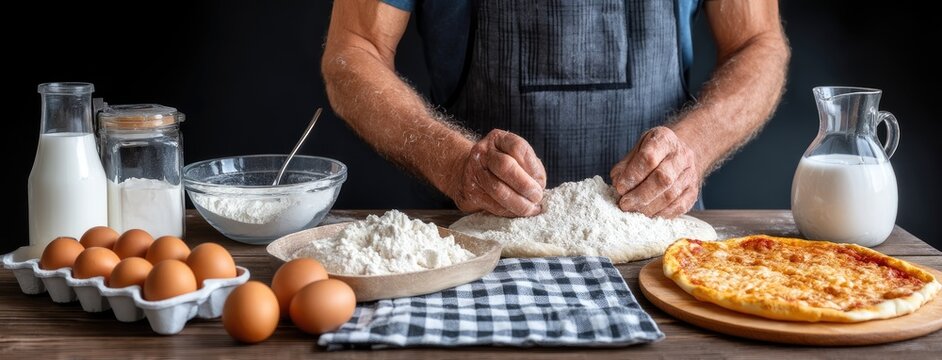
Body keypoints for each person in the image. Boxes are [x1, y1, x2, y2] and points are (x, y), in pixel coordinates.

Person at [321, 0, 789, 218]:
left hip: (661, 253)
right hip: (471, 253)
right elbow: (353, 51)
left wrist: (696, 147)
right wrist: (450, 161)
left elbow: (758, 43)